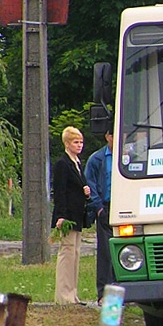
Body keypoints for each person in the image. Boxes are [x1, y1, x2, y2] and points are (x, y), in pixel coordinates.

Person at [51, 126, 91, 305]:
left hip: (78, 214)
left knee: (74, 254)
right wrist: (61, 216)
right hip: (67, 216)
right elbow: (59, 191)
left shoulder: (77, 162)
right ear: (67, 143)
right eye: (76, 142)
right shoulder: (62, 164)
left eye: (81, 142)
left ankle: (73, 294)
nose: (79, 145)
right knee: (66, 254)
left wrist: (86, 192)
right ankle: (63, 296)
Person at [86, 126, 114, 303]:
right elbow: (91, 183)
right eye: (113, 135)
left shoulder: (128, 156)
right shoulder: (97, 159)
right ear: (107, 136)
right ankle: (103, 293)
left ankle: (121, 290)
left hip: (124, 206)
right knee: (105, 252)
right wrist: (98, 208)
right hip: (106, 206)